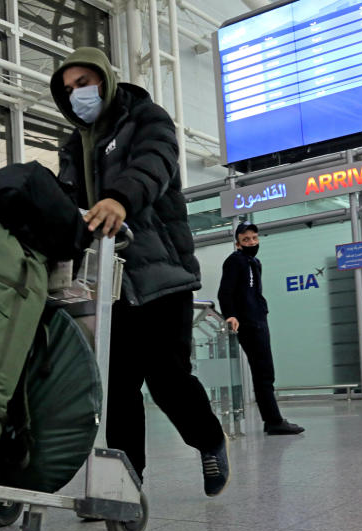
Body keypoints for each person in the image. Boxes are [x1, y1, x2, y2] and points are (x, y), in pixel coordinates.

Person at [50, 47, 229, 496]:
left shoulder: (147, 118)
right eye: (69, 89)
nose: (77, 95)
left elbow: (155, 165)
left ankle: (209, 440)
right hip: (107, 281)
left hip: (160, 273)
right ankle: (127, 483)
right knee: (117, 386)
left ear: (105, 81)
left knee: (167, 378)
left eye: (84, 83)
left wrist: (119, 199)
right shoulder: (74, 146)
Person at [218, 222, 304, 435]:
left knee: (265, 371)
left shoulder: (254, 262)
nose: (252, 242)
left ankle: (271, 419)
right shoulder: (234, 261)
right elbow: (225, 292)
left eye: (254, 238)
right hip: (248, 323)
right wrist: (231, 315)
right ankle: (274, 421)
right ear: (238, 242)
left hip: (258, 319)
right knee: (263, 372)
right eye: (246, 239)